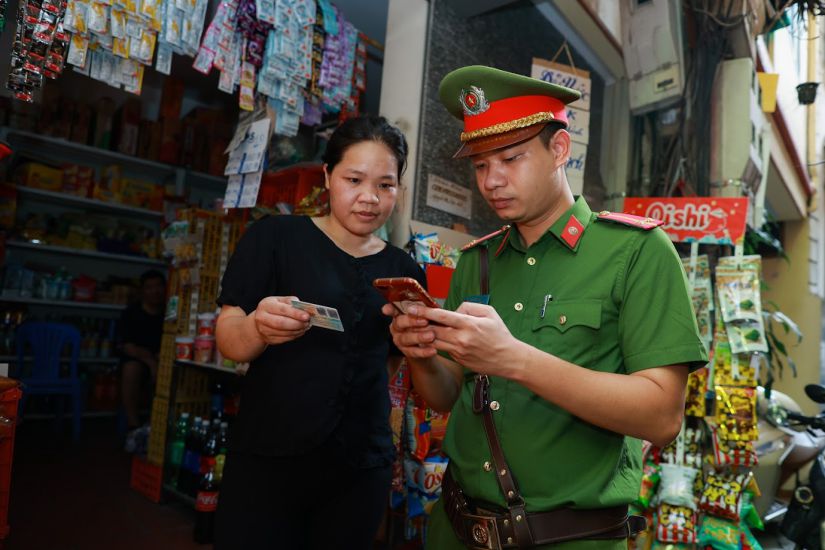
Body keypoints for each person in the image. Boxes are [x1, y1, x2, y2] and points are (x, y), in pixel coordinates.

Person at [384, 65, 709, 549]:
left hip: (569, 538)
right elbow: (448, 396)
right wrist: (422, 354)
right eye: (479, 165)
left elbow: (661, 416)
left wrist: (514, 359)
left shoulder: (636, 252)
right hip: (455, 527)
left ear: (559, 150)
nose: (492, 180)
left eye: (511, 159)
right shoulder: (478, 262)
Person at [213, 115, 426, 549]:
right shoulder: (275, 237)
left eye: (386, 185)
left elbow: (389, 362)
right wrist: (257, 327)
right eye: (354, 179)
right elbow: (229, 338)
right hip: (269, 456)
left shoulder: (403, 271)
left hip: (359, 467)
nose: (369, 198)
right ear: (327, 176)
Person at [120, 269, 166, 443]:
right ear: (142, 291)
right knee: (131, 368)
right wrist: (151, 362)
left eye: (159, 286)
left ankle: (158, 426)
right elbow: (128, 347)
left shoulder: (168, 314)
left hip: (162, 360)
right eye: (149, 287)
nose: (155, 291)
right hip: (138, 361)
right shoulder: (131, 313)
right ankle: (134, 426)